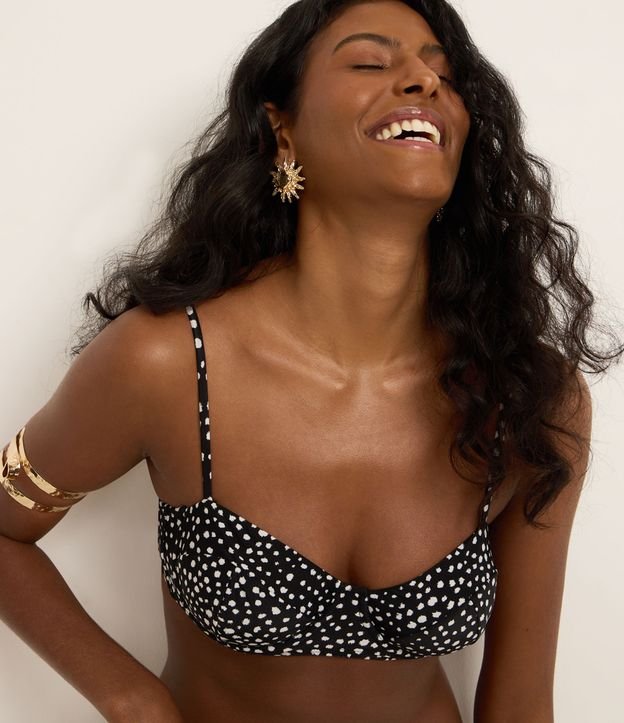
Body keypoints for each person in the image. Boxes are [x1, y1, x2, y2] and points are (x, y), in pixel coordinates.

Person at [0, 0, 619, 720]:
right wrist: (133, 698)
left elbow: (519, 703)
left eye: (444, 76)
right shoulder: (166, 362)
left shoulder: (530, 396)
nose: (423, 81)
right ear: (282, 130)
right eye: (370, 62)